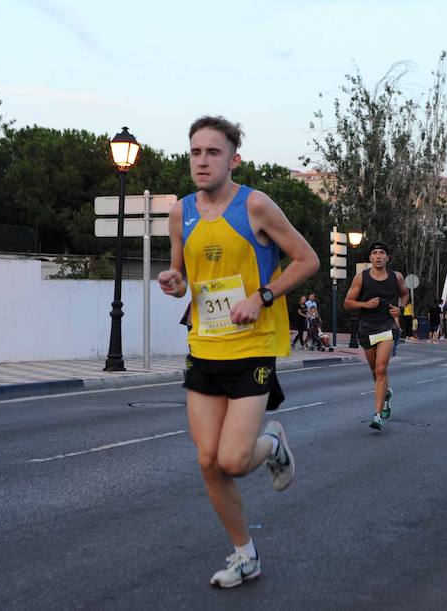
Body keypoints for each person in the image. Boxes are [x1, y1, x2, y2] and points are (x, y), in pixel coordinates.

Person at [157, 115, 320, 588]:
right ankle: (245, 554)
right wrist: (175, 282)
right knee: (207, 460)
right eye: (195, 152)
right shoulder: (179, 212)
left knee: (231, 460)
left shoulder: (256, 206)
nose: (202, 161)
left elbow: (307, 259)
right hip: (204, 345)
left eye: (212, 152)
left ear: (234, 159)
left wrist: (263, 296)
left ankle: (273, 444)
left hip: (253, 347)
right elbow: (181, 275)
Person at [344, 241, 409, 431]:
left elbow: (405, 295)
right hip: (366, 329)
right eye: (375, 253)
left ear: (387, 257)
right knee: (374, 371)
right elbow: (347, 303)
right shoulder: (361, 278)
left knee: (381, 369)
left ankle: (378, 414)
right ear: (370, 258)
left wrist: (401, 309)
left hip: (387, 327)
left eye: (382, 253)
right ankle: (386, 393)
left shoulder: (396, 277)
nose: (379, 256)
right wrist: (365, 305)